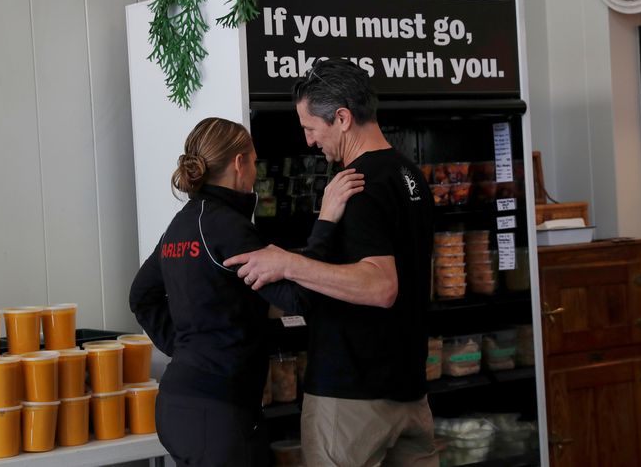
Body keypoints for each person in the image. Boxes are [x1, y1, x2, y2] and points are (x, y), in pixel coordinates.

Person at [225, 58, 438, 467]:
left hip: (352, 399)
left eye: (310, 127)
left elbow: (380, 286)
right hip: (410, 392)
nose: (308, 141)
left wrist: (287, 263)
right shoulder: (409, 175)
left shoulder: (356, 185)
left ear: (342, 118)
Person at [128, 117, 363, 467]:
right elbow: (299, 297)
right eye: (254, 160)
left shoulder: (182, 223)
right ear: (239, 163)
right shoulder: (228, 227)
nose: (256, 169)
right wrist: (326, 220)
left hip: (180, 403)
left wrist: (187, 349)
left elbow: (141, 296)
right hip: (217, 412)